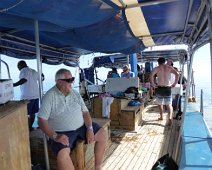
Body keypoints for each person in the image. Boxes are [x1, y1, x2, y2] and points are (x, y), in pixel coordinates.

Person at [37, 69, 107, 170]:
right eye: (69, 80)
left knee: (103, 134)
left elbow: (85, 113)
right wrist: (55, 136)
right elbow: (41, 121)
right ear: (59, 81)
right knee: (62, 155)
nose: (72, 82)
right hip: (62, 132)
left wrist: (90, 128)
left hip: (81, 127)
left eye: (72, 79)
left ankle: (97, 167)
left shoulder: (75, 93)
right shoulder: (49, 97)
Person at [13, 60, 43, 131]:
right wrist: (42, 75)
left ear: (20, 66)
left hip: (27, 97)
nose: (18, 69)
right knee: (34, 113)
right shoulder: (33, 71)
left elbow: (24, 80)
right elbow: (42, 79)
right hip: (36, 96)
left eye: (18, 67)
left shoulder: (23, 70)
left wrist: (13, 85)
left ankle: (27, 129)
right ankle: (34, 127)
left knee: (25, 114)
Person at [150, 57, 179, 126]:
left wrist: (153, 84)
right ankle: (170, 117)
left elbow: (151, 75)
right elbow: (177, 74)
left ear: (158, 62)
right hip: (167, 88)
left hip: (159, 88)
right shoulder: (169, 68)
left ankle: (161, 117)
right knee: (169, 104)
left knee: (160, 104)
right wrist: (174, 83)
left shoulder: (156, 68)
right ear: (164, 61)